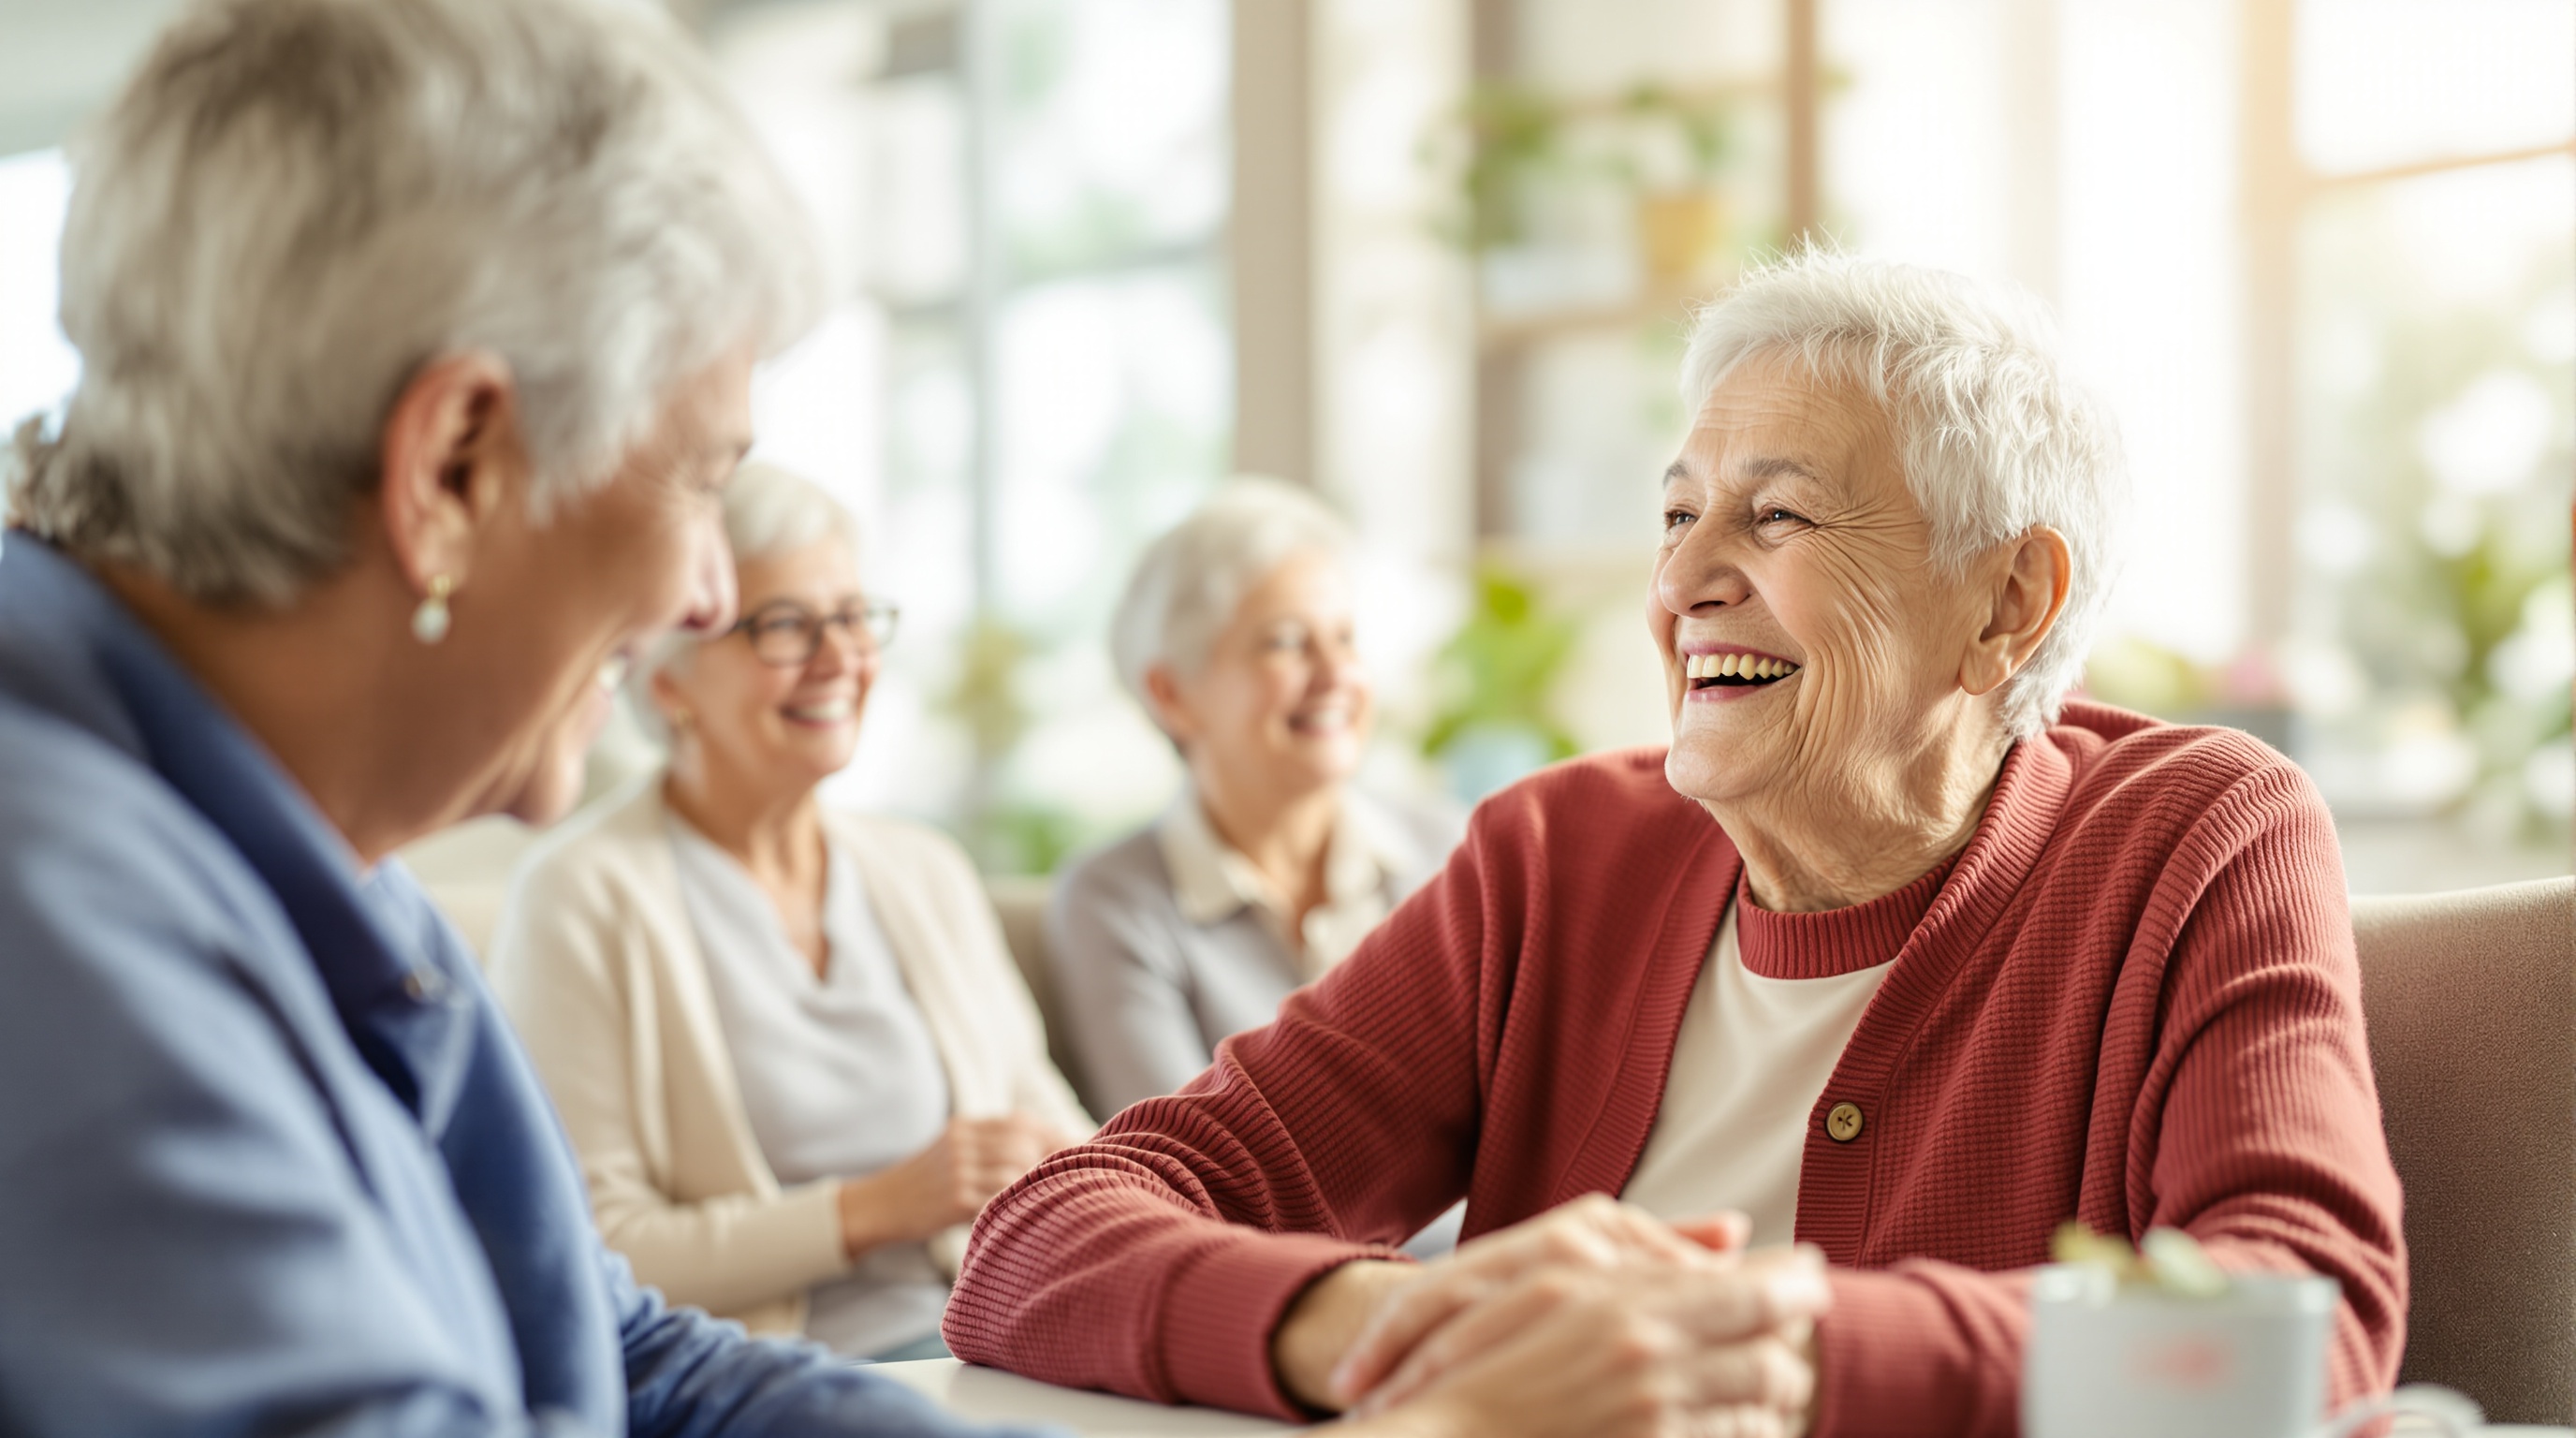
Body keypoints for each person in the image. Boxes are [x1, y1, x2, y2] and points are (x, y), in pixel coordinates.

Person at [943, 254, 2408, 1438]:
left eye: (1776, 518)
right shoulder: (1557, 857)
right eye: (1676, 514)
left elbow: (2310, 1314)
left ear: (2007, 601)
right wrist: (1385, 1324)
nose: (1684, 582)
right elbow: (1039, 1241)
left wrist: (1781, 1347)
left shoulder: (2199, 836)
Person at [0, 0, 1045, 1432]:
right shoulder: (53, 908)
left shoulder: (317, 851)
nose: (707, 593)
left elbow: (614, 1360)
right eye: (698, 478)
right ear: (456, 469)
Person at [490, 462, 1090, 1362]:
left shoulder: (925, 872)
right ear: (669, 682)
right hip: (774, 1382)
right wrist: (872, 1209)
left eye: (853, 617)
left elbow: (1059, 1138)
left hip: (1003, 1340)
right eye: (784, 626)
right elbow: (595, 1246)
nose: (842, 657)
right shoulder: (579, 896)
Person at [1047, 478, 1457, 1118]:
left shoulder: (1456, 853)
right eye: (1286, 642)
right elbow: (1177, 1156)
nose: (1336, 676)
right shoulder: (1116, 899)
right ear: (1171, 694)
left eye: (1345, 638)